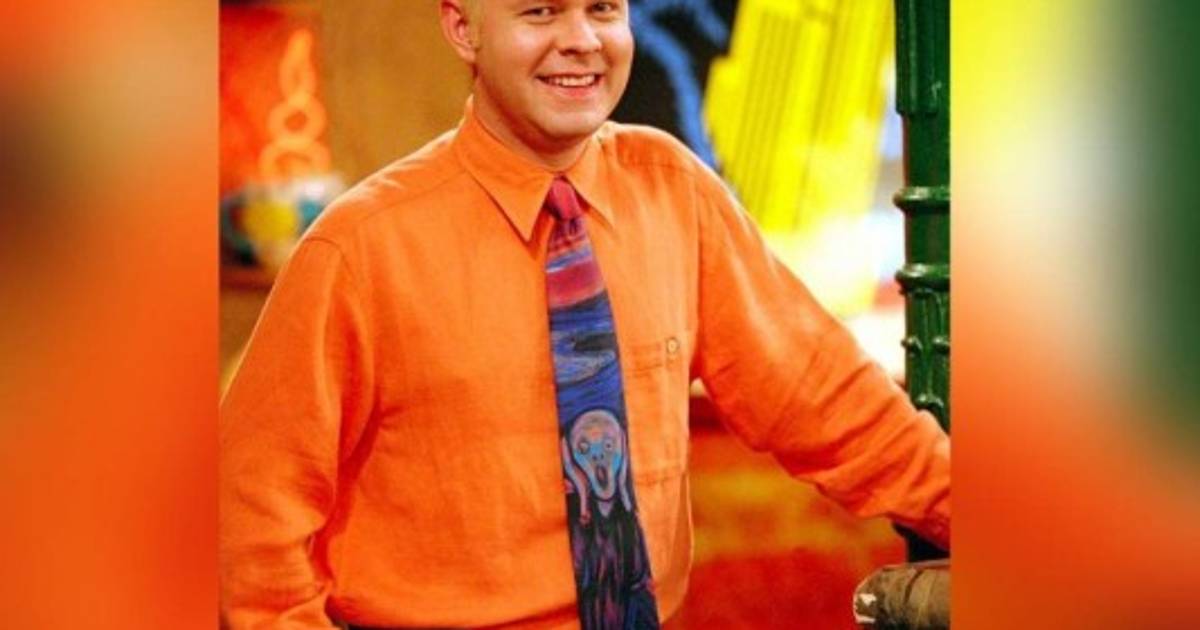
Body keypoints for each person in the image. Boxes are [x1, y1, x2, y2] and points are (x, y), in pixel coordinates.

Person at [218, 1, 951, 628]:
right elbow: (250, 515)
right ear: (463, 29)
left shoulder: (674, 193)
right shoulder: (359, 248)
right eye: (540, 11)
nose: (581, 39)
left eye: (603, 8)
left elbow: (827, 400)